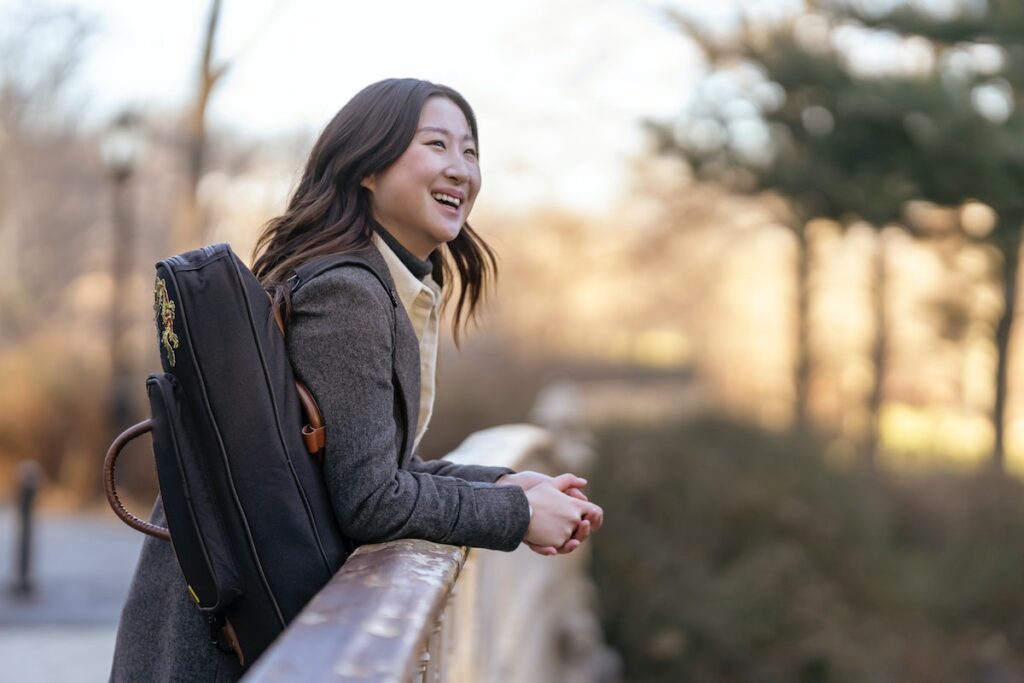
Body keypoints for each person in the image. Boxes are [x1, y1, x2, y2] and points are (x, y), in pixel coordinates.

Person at [109, 77, 602, 682]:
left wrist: (505, 482)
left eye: (470, 151)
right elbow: (371, 499)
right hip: (223, 639)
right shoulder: (349, 292)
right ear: (367, 168)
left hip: (229, 605)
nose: (461, 169)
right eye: (437, 145)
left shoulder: (381, 284)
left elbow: (366, 460)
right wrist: (516, 518)